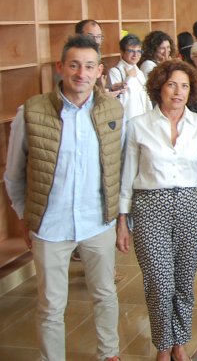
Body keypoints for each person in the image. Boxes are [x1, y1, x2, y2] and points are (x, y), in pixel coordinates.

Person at [4, 34, 124, 361]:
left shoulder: (113, 110)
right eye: (74, 65)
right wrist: (26, 217)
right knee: (50, 305)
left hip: (97, 222)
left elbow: (119, 165)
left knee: (105, 294)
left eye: (89, 66)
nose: (81, 74)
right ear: (60, 67)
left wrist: (120, 218)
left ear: (99, 71)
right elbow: (14, 175)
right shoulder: (31, 112)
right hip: (50, 226)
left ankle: (109, 353)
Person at [115, 59, 197, 361]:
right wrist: (122, 219)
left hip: (191, 204)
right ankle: (163, 343)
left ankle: (180, 342)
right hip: (150, 206)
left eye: (184, 86)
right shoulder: (139, 125)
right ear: (159, 87)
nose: (178, 92)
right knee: (159, 283)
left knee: (184, 281)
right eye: (172, 84)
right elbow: (127, 175)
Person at [108, 33, 151, 122]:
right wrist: (129, 78)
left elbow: (146, 98)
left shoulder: (139, 73)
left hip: (142, 120)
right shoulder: (115, 72)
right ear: (122, 52)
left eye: (139, 51)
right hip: (126, 121)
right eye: (131, 51)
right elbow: (118, 101)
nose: (135, 55)